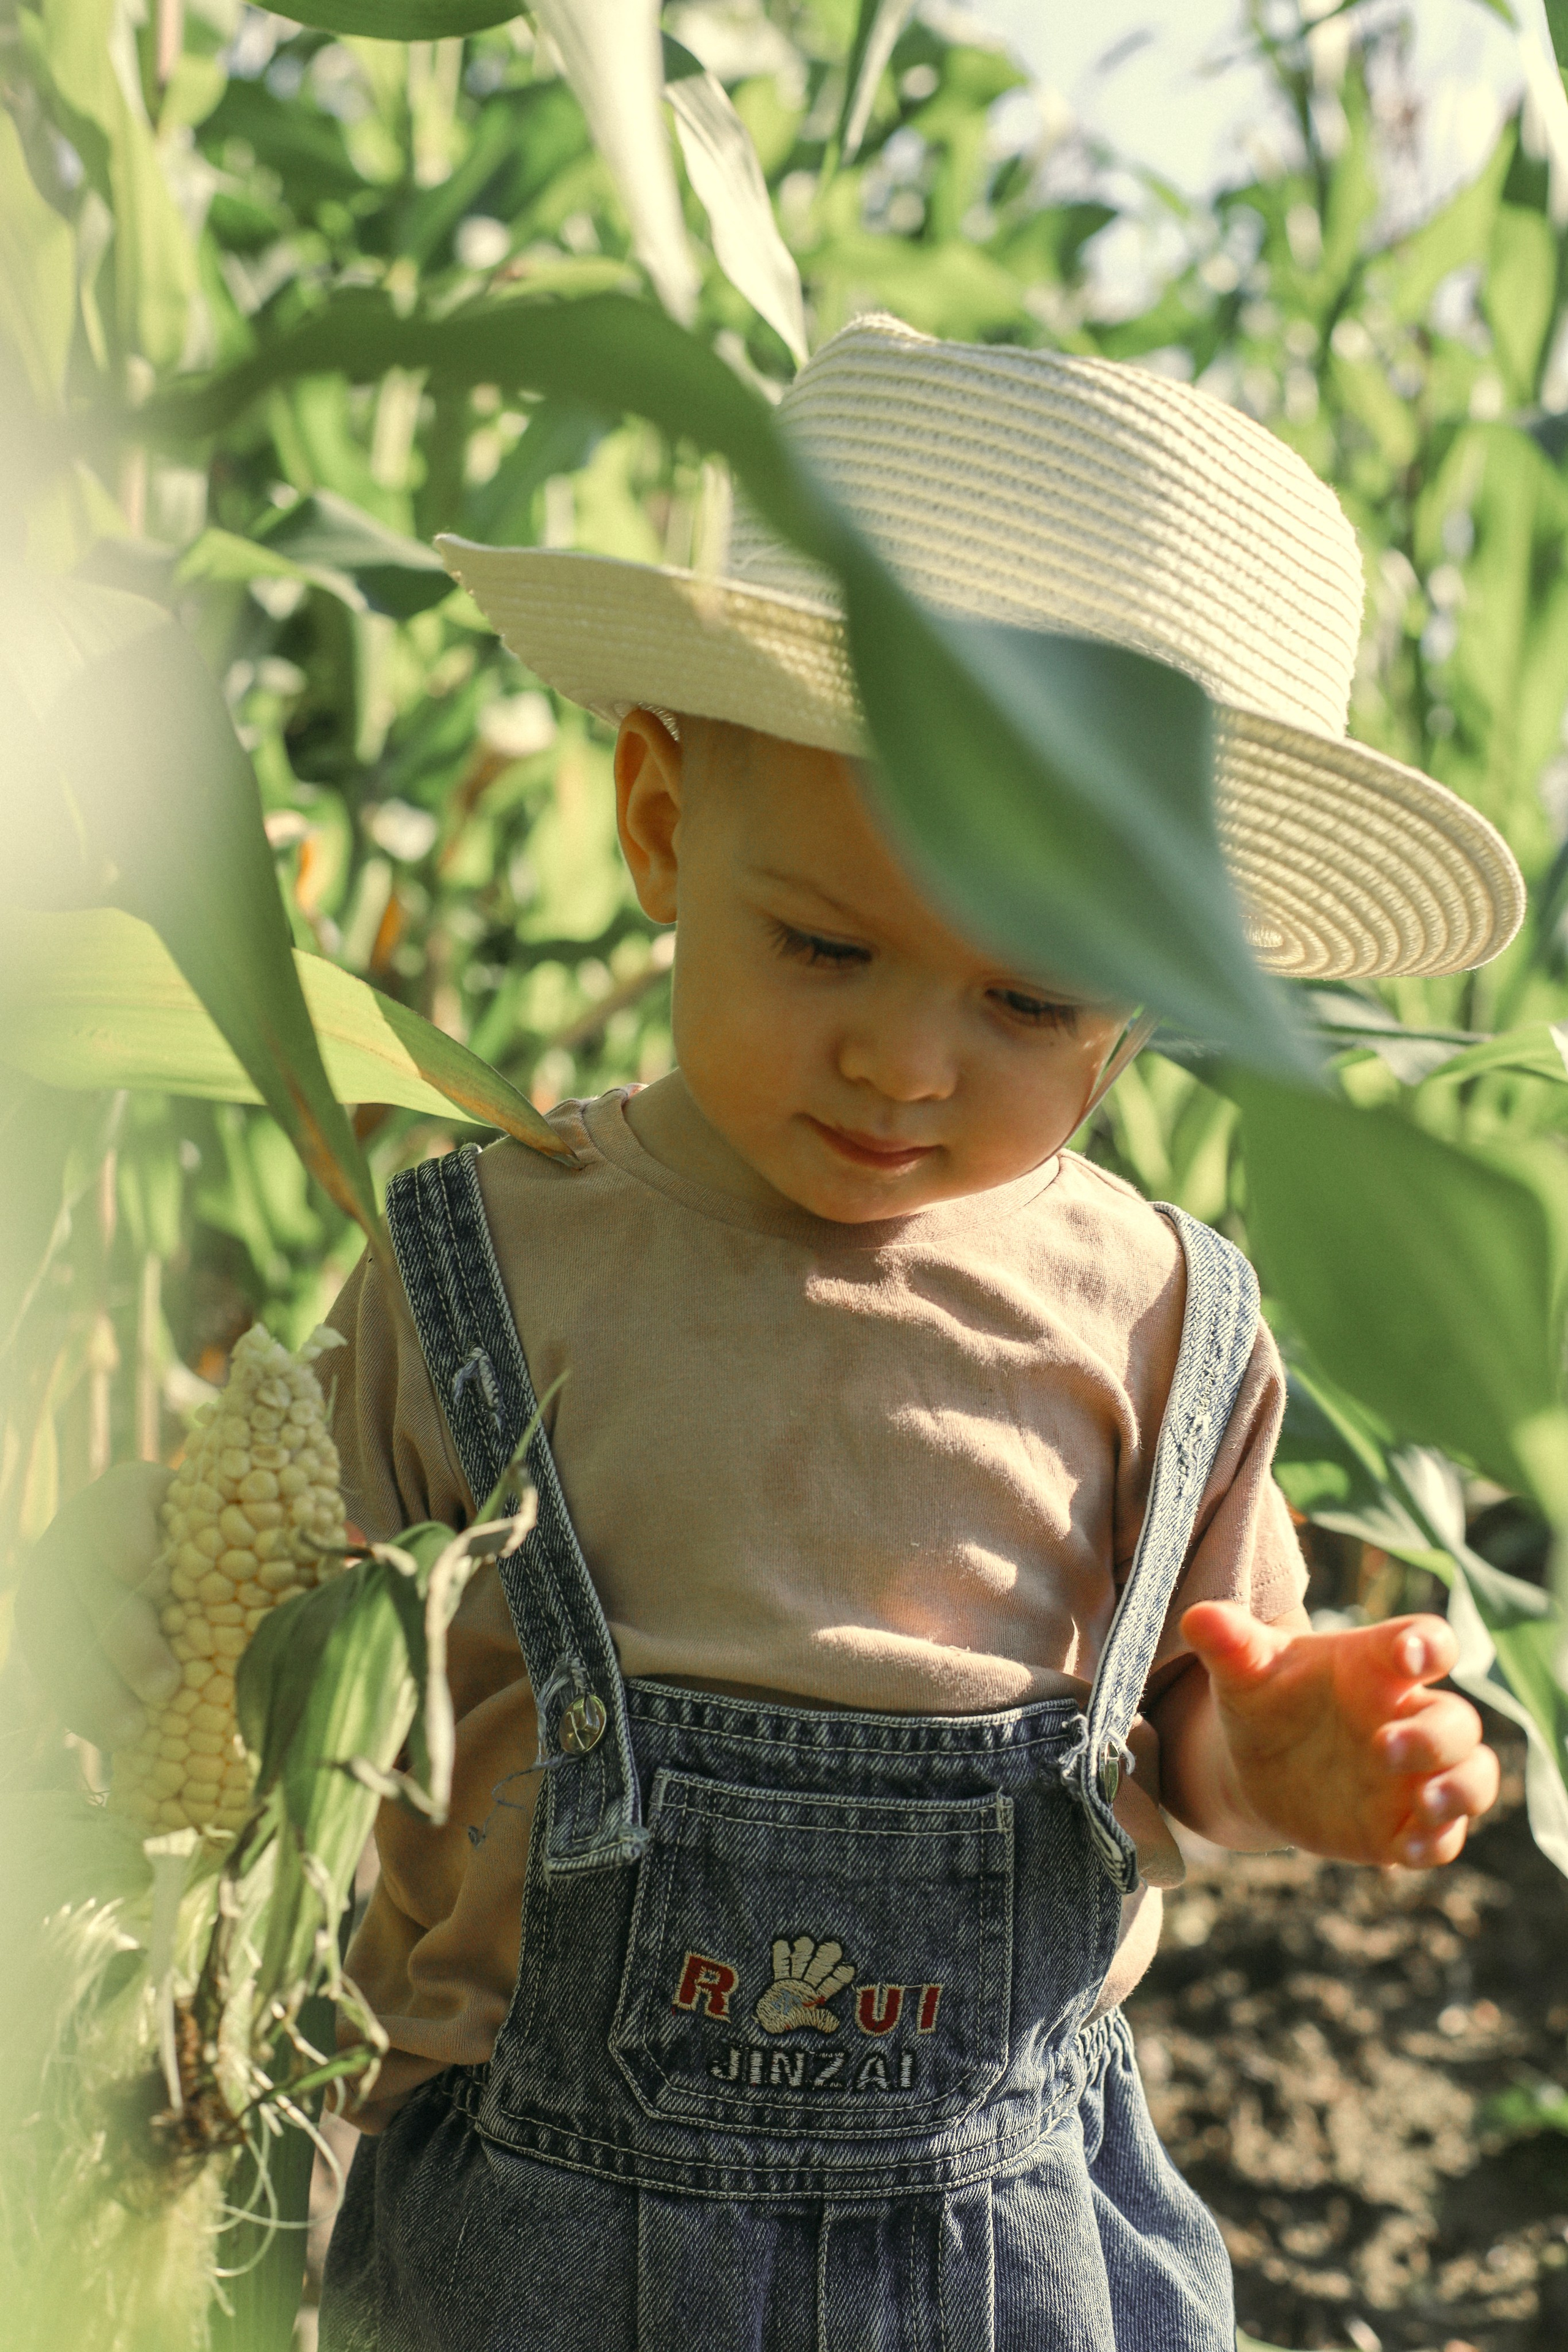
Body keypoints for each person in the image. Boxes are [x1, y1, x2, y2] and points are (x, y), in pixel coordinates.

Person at [21, 316, 1524, 2352]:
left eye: (1031, 1002)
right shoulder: (488, 1263)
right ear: (660, 818)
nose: (904, 1061)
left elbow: (1174, 1734)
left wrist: (1270, 1752)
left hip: (1008, 2248)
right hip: (535, 2255)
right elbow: (279, 1632)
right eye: (822, 943)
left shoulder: (1164, 1327)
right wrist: (135, 1600)